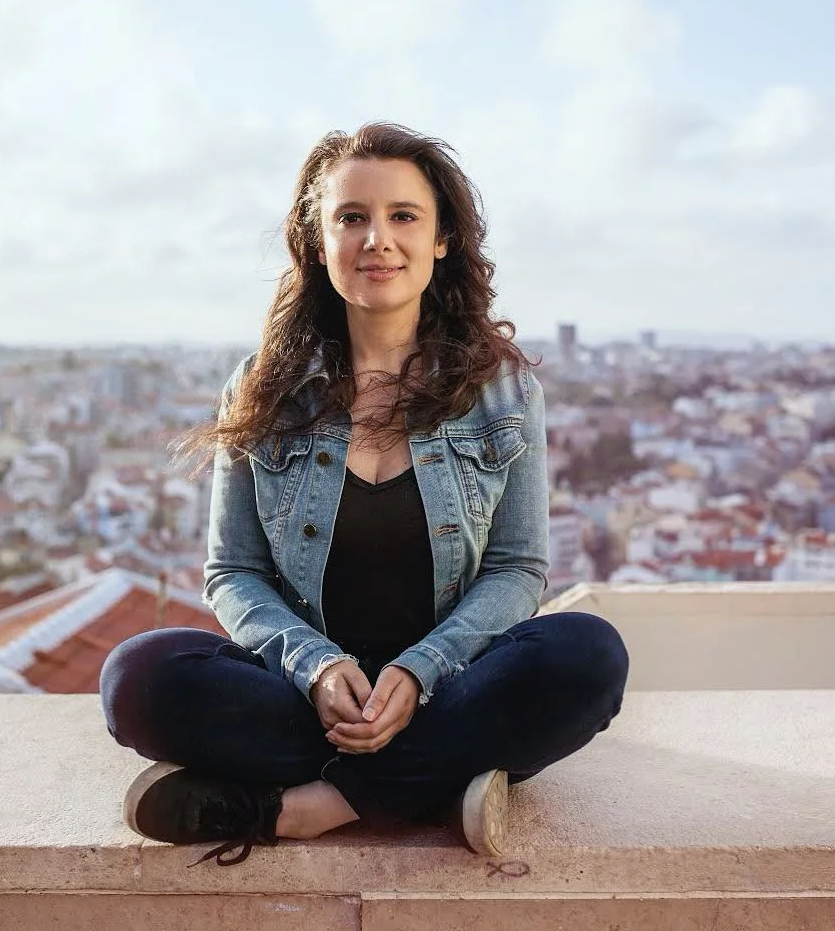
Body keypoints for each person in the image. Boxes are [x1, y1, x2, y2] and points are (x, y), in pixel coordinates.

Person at [99, 122, 629, 867]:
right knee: (137, 678)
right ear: (319, 243)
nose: (377, 238)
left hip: (454, 684)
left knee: (588, 656)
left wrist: (422, 670)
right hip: (307, 698)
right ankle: (437, 781)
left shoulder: (502, 389)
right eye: (352, 217)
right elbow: (233, 573)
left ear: (442, 240)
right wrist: (315, 667)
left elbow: (518, 567)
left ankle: (312, 807)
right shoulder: (261, 390)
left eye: (403, 216)